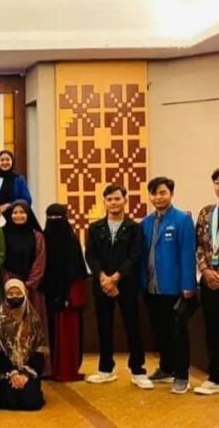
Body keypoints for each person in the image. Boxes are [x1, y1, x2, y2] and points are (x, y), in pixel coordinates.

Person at [85, 184, 151, 389]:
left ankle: (138, 370)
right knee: (104, 327)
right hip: (102, 284)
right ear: (104, 202)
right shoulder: (95, 228)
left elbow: (135, 256)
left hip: (127, 284)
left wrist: (115, 278)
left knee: (132, 326)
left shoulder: (134, 228)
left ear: (125, 200)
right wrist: (103, 277)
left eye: (117, 198)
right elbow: (91, 255)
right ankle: (106, 369)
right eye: (109, 199)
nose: (113, 203)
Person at [141, 176, 197, 394]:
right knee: (160, 331)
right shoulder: (146, 223)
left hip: (174, 287)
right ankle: (166, 368)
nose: (158, 197)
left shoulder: (182, 220)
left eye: (163, 192)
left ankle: (182, 376)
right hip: (152, 287)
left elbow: (187, 254)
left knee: (177, 333)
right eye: (154, 193)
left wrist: (188, 285)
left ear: (171, 194)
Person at [2, 200, 49, 375]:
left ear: (28, 214)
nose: (18, 215)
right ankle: (11, 367)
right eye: (15, 212)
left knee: (33, 328)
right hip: (10, 289)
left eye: (22, 212)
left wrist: (27, 286)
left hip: (32, 291)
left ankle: (36, 367)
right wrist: (12, 286)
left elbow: (40, 262)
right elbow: (1, 260)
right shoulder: (2, 233)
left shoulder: (37, 236)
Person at [42, 204, 87, 382]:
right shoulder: (42, 240)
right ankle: (49, 368)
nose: (54, 221)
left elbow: (77, 271)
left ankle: (67, 369)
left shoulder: (71, 241)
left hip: (68, 296)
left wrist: (70, 295)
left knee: (67, 333)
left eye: (58, 218)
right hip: (45, 295)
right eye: (50, 218)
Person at [0, 279, 47, 411]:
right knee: (9, 401)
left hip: (29, 371)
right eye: (10, 294)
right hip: (5, 371)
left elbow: (39, 352)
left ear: (25, 294)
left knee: (31, 402)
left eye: (18, 293)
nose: (14, 297)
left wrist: (25, 375)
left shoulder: (34, 320)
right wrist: (13, 373)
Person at [195, 168, 219, 395]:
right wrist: (205, 270)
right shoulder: (206, 213)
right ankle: (215, 377)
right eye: (217, 183)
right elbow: (199, 246)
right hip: (210, 278)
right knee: (212, 329)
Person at [0, 150, 32, 225]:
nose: (5, 162)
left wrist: (9, 205)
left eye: (7, 159)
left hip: (17, 219)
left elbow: (27, 200)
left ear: (12, 161)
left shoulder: (19, 180)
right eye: (2, 160)